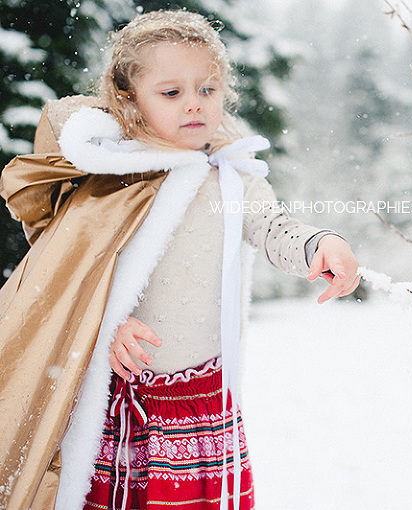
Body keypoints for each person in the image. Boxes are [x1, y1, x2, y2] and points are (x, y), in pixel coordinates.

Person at [0, 9, 359, 510]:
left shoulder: (230, 176)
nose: (195, 105)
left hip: (203, 399)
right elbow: (72, 277)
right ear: (130, 99)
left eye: (207, 90)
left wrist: (318, 245)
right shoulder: (113, 182)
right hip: (122, 398)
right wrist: (108, 324)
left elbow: (271, 227)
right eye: (172, 93)